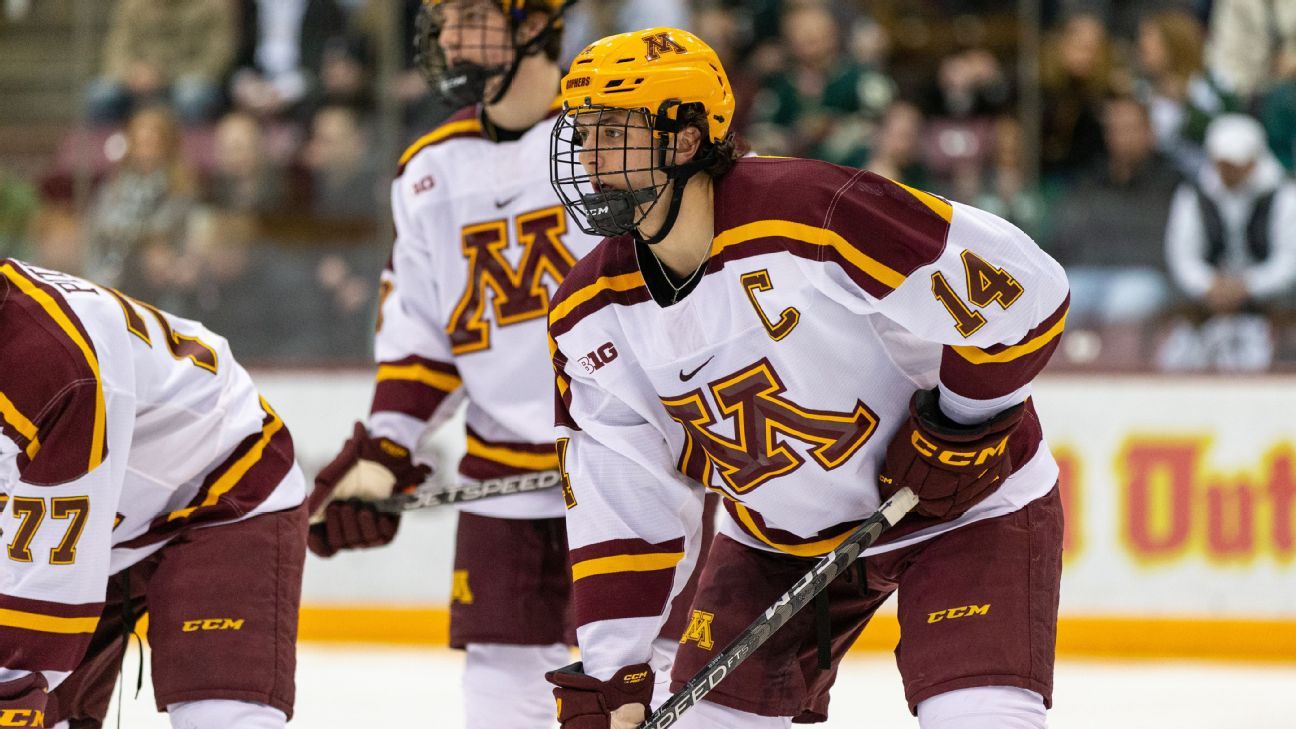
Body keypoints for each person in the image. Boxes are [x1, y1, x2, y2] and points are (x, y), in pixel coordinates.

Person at [544, 28, 1069, 729]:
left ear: (685, 139)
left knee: (979, 716)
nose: (588, 154)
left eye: (614, 131)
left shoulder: (814, 212)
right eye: (584, 131)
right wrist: (614, 674)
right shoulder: (590, 314)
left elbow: (1022, 291)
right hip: (776, 542)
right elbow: (622, 498)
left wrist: (966, 423)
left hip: (966, 508)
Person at [304, 2, 708, 727]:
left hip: (642, 469)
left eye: (470, 16)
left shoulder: (618, 139)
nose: (449, 36)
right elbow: (422, 339)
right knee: (499, 698)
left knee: (660, 687)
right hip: (504, 483)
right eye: (442, 19)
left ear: (533, 22)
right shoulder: (427, 170)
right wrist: (386, 446)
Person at [0, 258, 307, 728]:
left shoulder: (54, 360)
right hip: (88, 534)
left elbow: (44, 593)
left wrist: (12, 693)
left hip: (219, 494)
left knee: (224, 720)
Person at [1159, 114, 1296, 372]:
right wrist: (1209, 285)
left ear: (1254, 160)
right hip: (1208, 303)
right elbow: (1182, 256)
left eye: (1235, 164)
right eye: (1222, 164)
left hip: (1271, 303)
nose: (1227, 172)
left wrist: (1249, 285)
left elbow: (1289, 262)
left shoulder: (1284, 196)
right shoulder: (1193, 195)